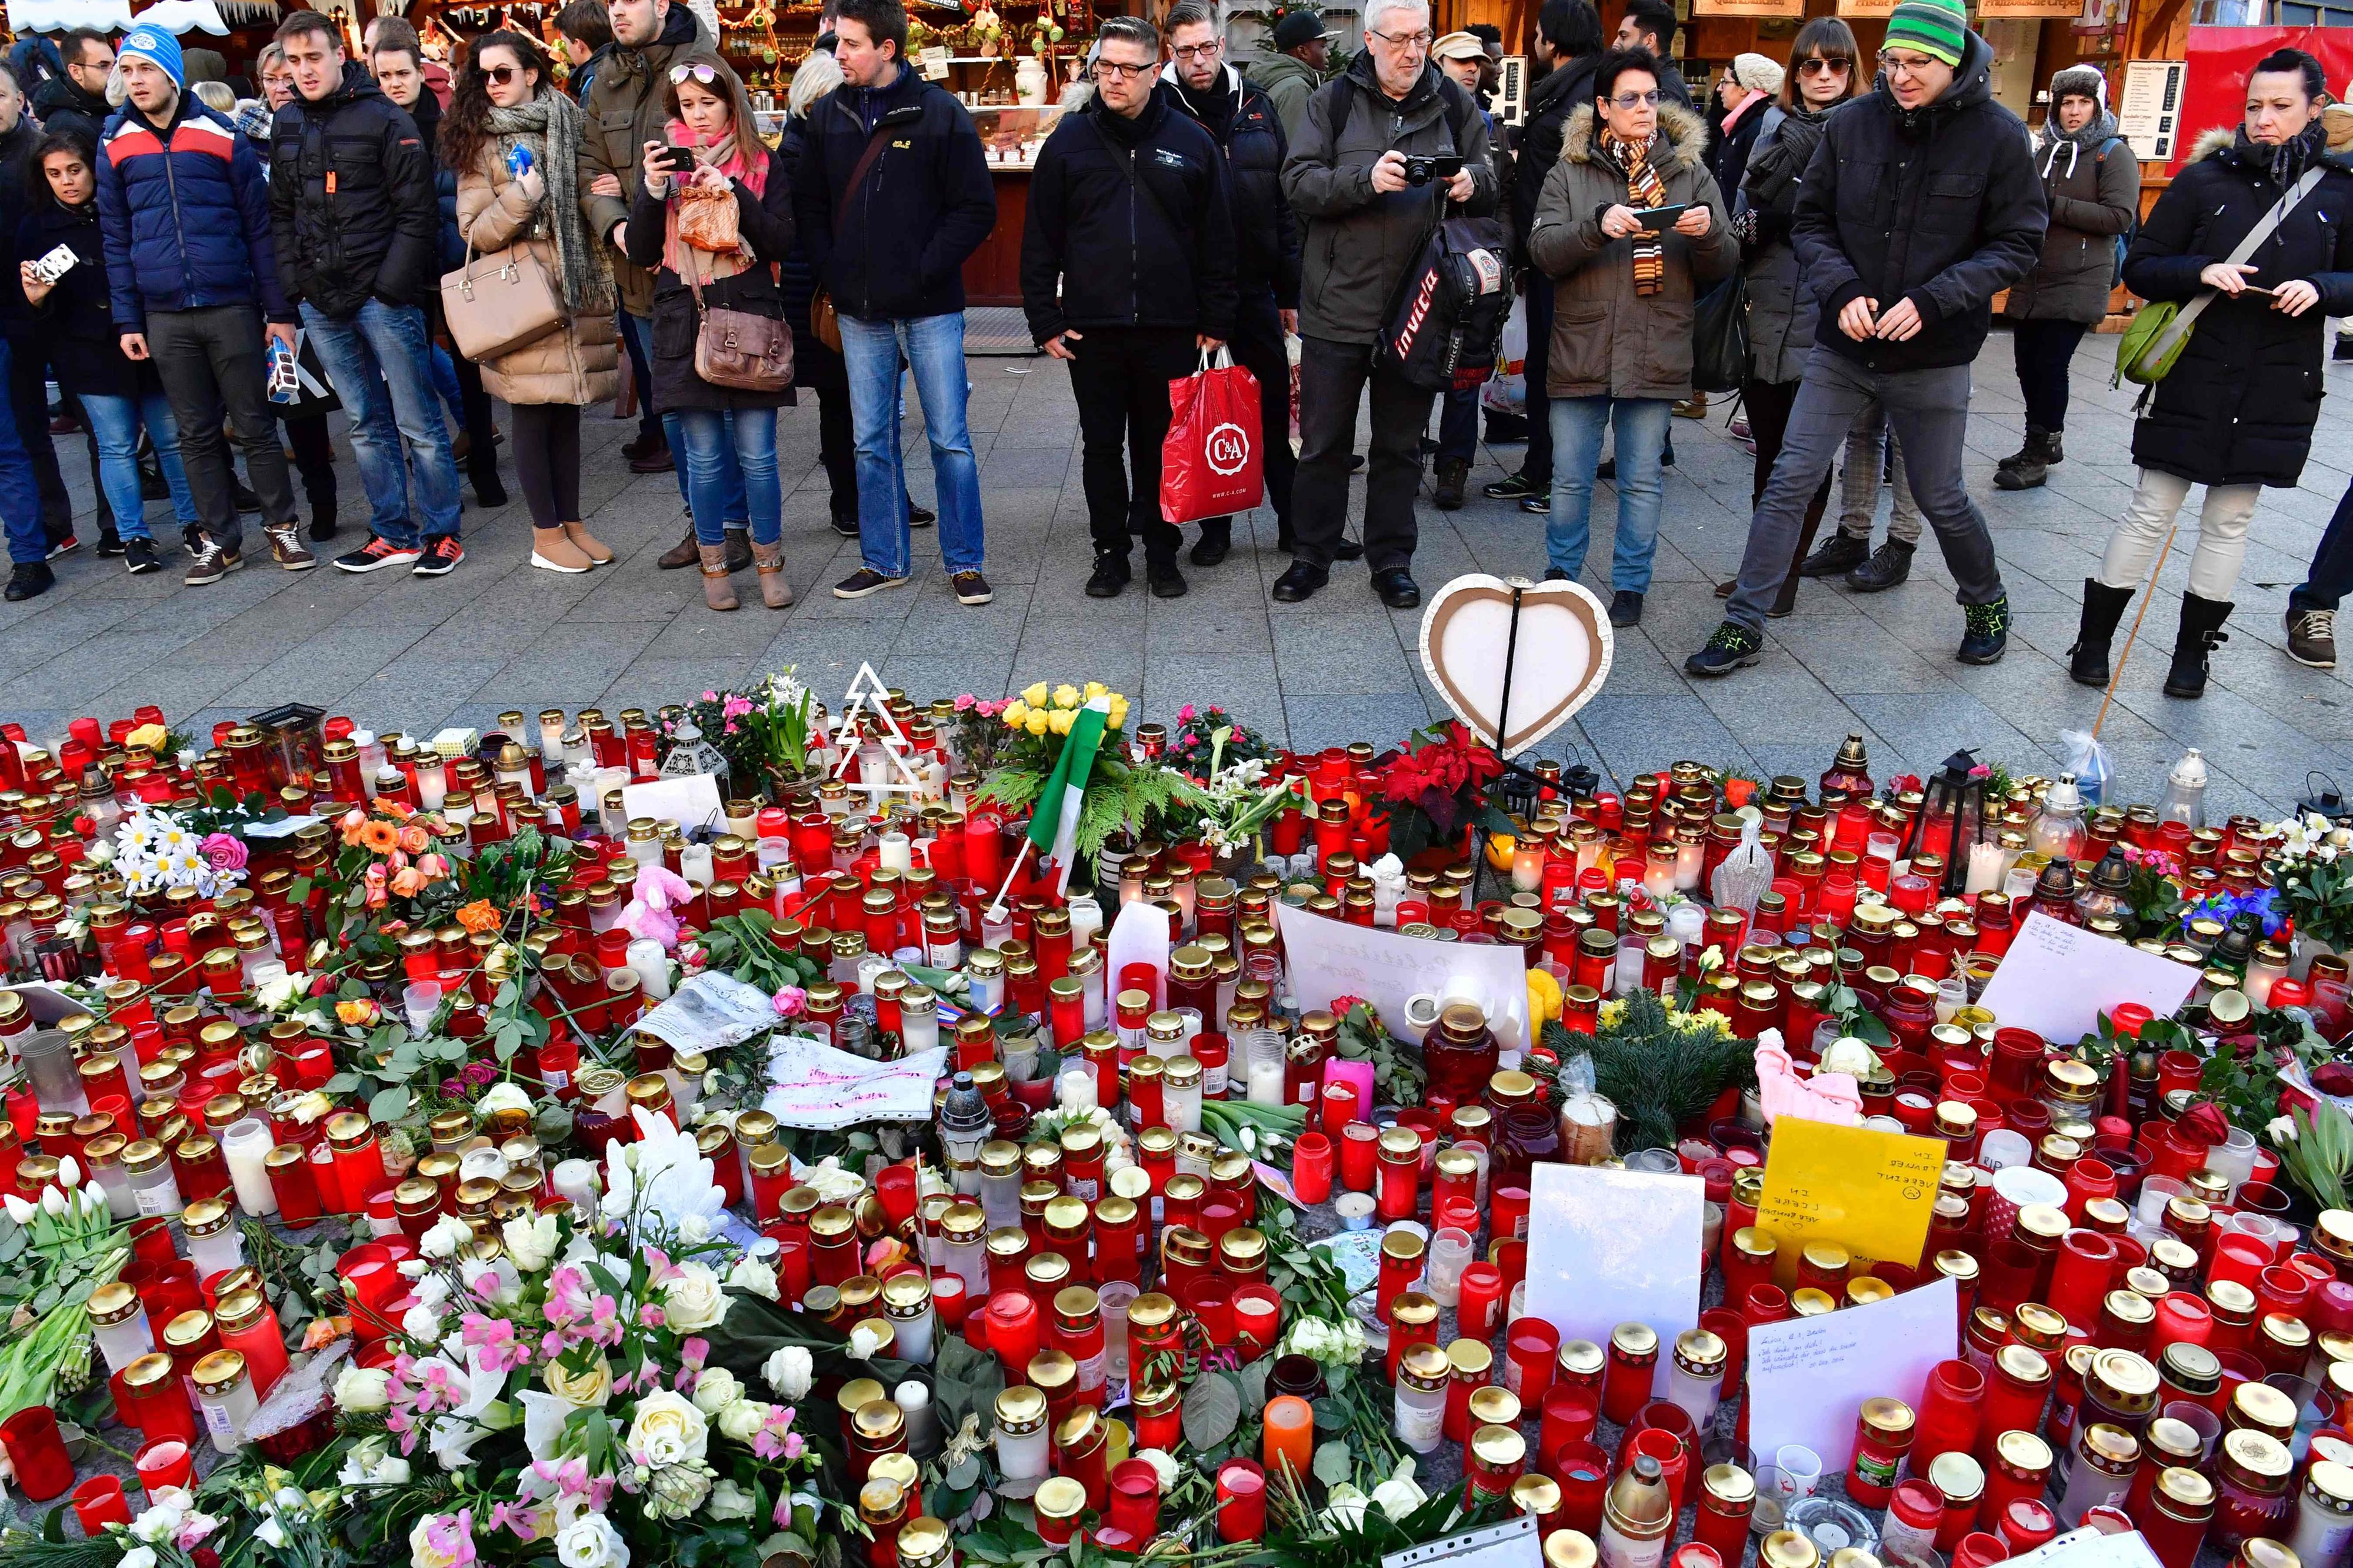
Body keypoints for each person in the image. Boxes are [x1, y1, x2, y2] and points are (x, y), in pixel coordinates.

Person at [1684, 0, 2043, 677]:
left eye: (1918, 64)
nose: (1901, 76)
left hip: (1932, 352)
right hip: (1843, 345)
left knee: (1940, 494)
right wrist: (1842, 291)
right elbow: (1811, 222)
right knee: (1789, 478)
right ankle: (1742, 625)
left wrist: (1935, 301)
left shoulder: (1997, 136)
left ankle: (1986, 600)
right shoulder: (1850, 125)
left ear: (1956, 62)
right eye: (1892, 62)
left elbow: (2019, 242)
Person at [2074, 48, 2353, 701]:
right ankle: (2092, 642)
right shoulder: (2205, 180)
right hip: (2195, 371)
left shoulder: (2340, 191)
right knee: (2151, 508)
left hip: (2279, 381)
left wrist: (2321, 288)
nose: (2263, 119)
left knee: (2230, 519)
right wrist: (2200, 270)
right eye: (2254, 105)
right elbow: (2140, 265)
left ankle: (2191, 657)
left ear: (2316, 108)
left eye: (2281, 107)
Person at [1275, 0, 1497, 609]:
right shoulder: (1333, 103)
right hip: (1337, 305)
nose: (1410, 50)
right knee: (1323, 444)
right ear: (1369, 41)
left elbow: (1495, 173)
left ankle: (1391, 559)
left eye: (1420, 37)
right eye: (1397, 39)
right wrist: (1364, 181)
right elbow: (1296, 183)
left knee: (1400, 445)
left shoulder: (1453, 103)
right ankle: (1311, 554)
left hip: (1421, 307)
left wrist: (1474, 181)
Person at [1024, 16, 1235, 600]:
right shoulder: (1069, 141)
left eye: (1126, 68)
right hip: (1092, 328)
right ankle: (1110, 552)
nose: (1112, 79)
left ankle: (1163, 552)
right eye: (1103, 67)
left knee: (1160, 444)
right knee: (1100, 445)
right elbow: (1040, 237)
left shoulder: (1190, 141)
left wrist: (1217, 317)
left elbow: (1218, 236)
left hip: (1171, 327)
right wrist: (1044, 316)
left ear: (1153, 70)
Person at [795, 0, 996, 604]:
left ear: (887, 49)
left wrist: (920, 269)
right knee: (869, 438)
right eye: (838, 44)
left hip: (931, 307)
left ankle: (964, 561)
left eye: (851, 44)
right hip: (858, 311)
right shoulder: (826, 115)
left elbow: (976, 209)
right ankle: (884, 560)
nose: (839, 56)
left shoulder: (940, 113)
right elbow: (807, 205)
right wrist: (833, 267)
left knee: (949, 437)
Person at [1527, 46, 1734, 628]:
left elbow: (1724, 262)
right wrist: (1594, 228)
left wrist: (1706, 232)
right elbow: (1542, 251)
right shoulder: (1568, 171)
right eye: (1629, 99)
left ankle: (1630, 587)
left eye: (1650, 97)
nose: (1643, 108)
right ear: (1602, 107)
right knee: (1569, 477)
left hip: (1656, 345)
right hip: (1582, 346)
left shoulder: (1689, 173)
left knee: (1640, 479)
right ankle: (1562, 576)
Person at [98, 25, 306, 589]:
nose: (135, 82)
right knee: (195, 433)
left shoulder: (219, 130)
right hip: (164, 314)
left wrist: (278, 311)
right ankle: (221, 540)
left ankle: (282, 527)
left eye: (145, 70)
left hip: (230, 303)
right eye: (128, 72)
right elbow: (115, 238)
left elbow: (259, 228)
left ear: (170, 73)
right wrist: (128, 319)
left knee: (256, 424)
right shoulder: (114, 142)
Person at [269, 9, 458, 578]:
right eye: (294, 61)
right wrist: (296, 286)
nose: (303, 71)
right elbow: (280, 214)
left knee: (418, 421)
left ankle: (441, 533)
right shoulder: (287, 123)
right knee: (362, 422)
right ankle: (391, 533)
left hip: (383, 297)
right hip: (319, 299)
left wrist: (390, 288)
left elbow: (417, 212)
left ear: (339, 56)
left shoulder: (382, 117)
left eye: (313, 58)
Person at [583, 0, 755, 563]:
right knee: (675, 413)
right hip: (637, 277)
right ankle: (703, 524)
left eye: (629, 1)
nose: (617, 11)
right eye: (610, 3)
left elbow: (739, 156)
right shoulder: (605, 77)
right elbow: (589, 169)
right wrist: (619, 228)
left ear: (661, 4)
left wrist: (669, 228)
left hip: (704, 276)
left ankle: (738, 526)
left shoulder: (702, 65)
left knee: (722, 407)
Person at [445, 31, 621, 576]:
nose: (491, 85)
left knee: (567, 411)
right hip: (523, 295)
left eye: (502, 73)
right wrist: (524, 195)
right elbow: (472, 229)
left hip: (571, 286)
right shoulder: (478, 142)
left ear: (532, 74)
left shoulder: (570, 121)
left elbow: (589, 186)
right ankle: (544, 535)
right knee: (530, 412)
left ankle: (572, 524)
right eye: (483, 75)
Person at [626, 52, 798, 610]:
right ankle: (714, 568)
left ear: (731, 103)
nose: (697, 116)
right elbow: (645, 251)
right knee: (701, 458)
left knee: (758, 456)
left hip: (749, 312)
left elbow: (779, 242)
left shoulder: (762, 162)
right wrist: (652, 192)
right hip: (685, 316)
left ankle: (770, 561)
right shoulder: (666, 168)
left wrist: (734, 192)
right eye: (687, 106)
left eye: (708, 103)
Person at [1711, 15, 1854, 618]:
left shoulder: (1866, 136)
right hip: (1765, 306)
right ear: (1794, 73)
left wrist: (1791, 216)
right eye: (1810, 65)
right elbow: (1741, 214)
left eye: (1836, 65)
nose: (1822, 76)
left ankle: (1783, 576)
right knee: (1769, 448)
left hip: (1827, 313)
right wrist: (1750, 226)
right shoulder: (1774, 130)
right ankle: (1761, 567)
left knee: (1807, 454)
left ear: (1852, 71)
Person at [18, 129, 201, 577]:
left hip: (146, 337)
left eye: (75, 170)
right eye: (55, 174)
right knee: (115, 446)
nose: (67, 181)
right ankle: (132, 535)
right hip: (87, 352)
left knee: (172, 440)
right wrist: (37, 299)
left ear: (93, 168)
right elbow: (34, 309)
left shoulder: (122, 210)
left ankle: (193, 525)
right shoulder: (36, 226)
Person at [1162, 0, 1301, 561]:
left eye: (1207, 48)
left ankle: (1294, 522)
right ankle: (1214, 526)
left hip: (1254, 287)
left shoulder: (1258, 106)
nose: (1200, 60)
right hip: (1187, 294)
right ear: (1171, 53)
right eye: (1186, 51)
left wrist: (1289, 291)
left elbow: (1284, 204)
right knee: (1203, 405)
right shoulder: (1162, 111)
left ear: (1222, 45)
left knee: (1271, 406)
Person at [374, 22, 506, 512]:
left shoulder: (449, 125)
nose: (393, 83)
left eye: (401, 73)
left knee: (471, 371)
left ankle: (485, 470)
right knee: (408, 373)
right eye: (383, 75)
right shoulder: (374, 127)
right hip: (400, 270)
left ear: (418, 72)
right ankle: (430, 477)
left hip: (452, 264)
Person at [1484, 0, 1604, 517]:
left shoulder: (1585, 96)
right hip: (1544, 250)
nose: (1533, 41)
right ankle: (1538, 465)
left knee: (1564, 372)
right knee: (1539, 367)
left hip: (1570, 256)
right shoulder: (1556, 91)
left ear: (1553, 41)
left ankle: (1561, 476)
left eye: (1537, 33)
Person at [1995, 64, 2137, 492]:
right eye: (2067, 103)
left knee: (2051, 367)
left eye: (2083, 103)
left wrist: (2054, 204)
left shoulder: (2112, 154)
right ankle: (2042, 437)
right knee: (2026, 366)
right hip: (2033, 277)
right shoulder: (2045, 152)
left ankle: (2038, 450)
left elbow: (2120, 215)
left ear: (2098, 106)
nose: (2074, 112)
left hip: (2080, 278)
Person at [244, 41, 338, 545]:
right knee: (298, 400)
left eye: (291, 75)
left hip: (332, 277)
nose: (283, 86)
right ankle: (322, 500)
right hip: (277, 286)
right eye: (273, 78)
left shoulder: (321, 124)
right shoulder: (243, 138)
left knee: (365, 395)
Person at [1428, 28, 1495, 513]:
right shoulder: (1415, 112)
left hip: (1469, 254)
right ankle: (1409, 455)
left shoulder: (1488, 121)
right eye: (1459, 61)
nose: (1471, 69)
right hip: (1418, 255)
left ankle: (1454, 463)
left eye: (1476, 62)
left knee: (1466, 362)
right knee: (1409, 361)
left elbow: (1500, 191)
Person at [1252, 9, 1335, 145]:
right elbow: (1297, 154)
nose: (1328, 53)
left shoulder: (1279, 78)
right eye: (1323, 46)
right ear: (1302, 51)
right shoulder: (1296, 89)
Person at [1708, 54, 1778, 212]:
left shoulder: (1758, 127)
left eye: (1725, 82)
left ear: (1744, 88)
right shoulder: (1737, 122)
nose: (1719, 89)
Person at [33, 29, 112, 143]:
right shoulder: (66, 127)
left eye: (115, 65)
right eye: (104, 66)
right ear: (76, 72)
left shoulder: (100, 104)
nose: (114, 72)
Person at [1609, 1, 1690, 106]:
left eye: (1624, 37)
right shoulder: (1659, 81)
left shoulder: (1663, 91)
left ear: (1650, 41)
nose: (1615, 44)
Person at [557, 0, 616, 101]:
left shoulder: (592, 88)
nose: (567, 50)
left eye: (566, 43)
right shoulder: (626, 64)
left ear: (579, 45)